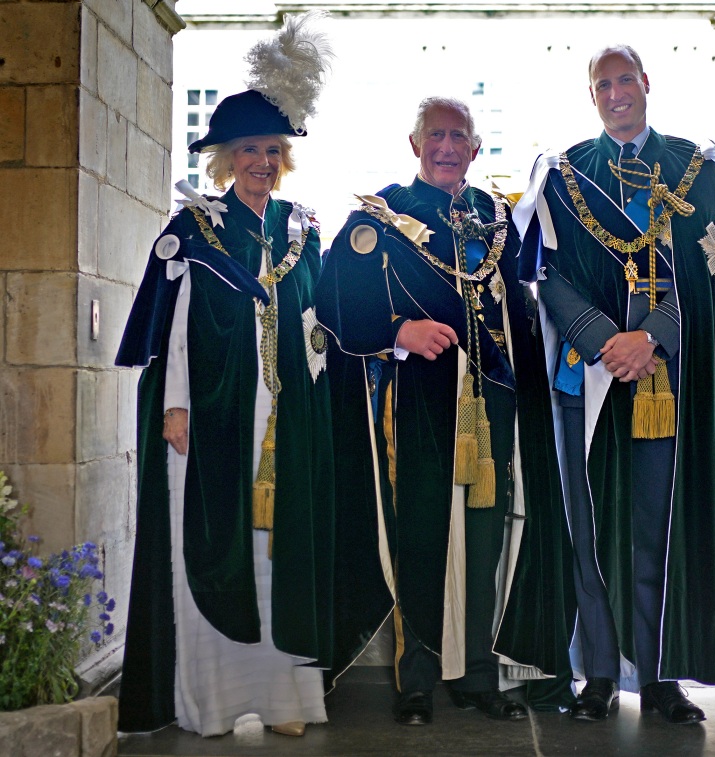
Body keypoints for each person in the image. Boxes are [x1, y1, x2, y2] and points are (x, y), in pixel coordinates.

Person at [513, 45, 715, 724]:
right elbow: (547, 276)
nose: (615, 93)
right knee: (593, 528)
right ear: (593, 95)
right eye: (602, 84)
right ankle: (599, 674)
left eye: (624, 81)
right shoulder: (565, 172)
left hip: (668, 384)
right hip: (588, 378)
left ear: (645, 85)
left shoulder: (696, 169)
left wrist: (651, 337)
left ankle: (661, 676)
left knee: (658, 528)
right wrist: (604, 341)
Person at [317, 96, 574, 727]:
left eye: (460, 137)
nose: (448, 147)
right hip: (418, 409)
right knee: (423, 538)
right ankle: (418, 677)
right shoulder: (378, 216)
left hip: (495, 406)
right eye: (437, 135)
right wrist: (398, 330)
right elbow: (333, 304)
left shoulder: (496, 217)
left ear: (476, 149)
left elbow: (523, 302)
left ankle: (478, 676)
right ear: (414, 144)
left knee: (486, 544)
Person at [115, 15, 336, 737]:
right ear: (225, 159)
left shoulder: (302, 230)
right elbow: (171, 330)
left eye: (273, 150)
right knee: (214, 551)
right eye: (249, 151)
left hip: (287, 423)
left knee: (280, 558)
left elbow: (317, 324)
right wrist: (175, 407)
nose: (262, 162)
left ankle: (284, 702)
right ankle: (210, 701)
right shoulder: (195, 230)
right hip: (212, 421)